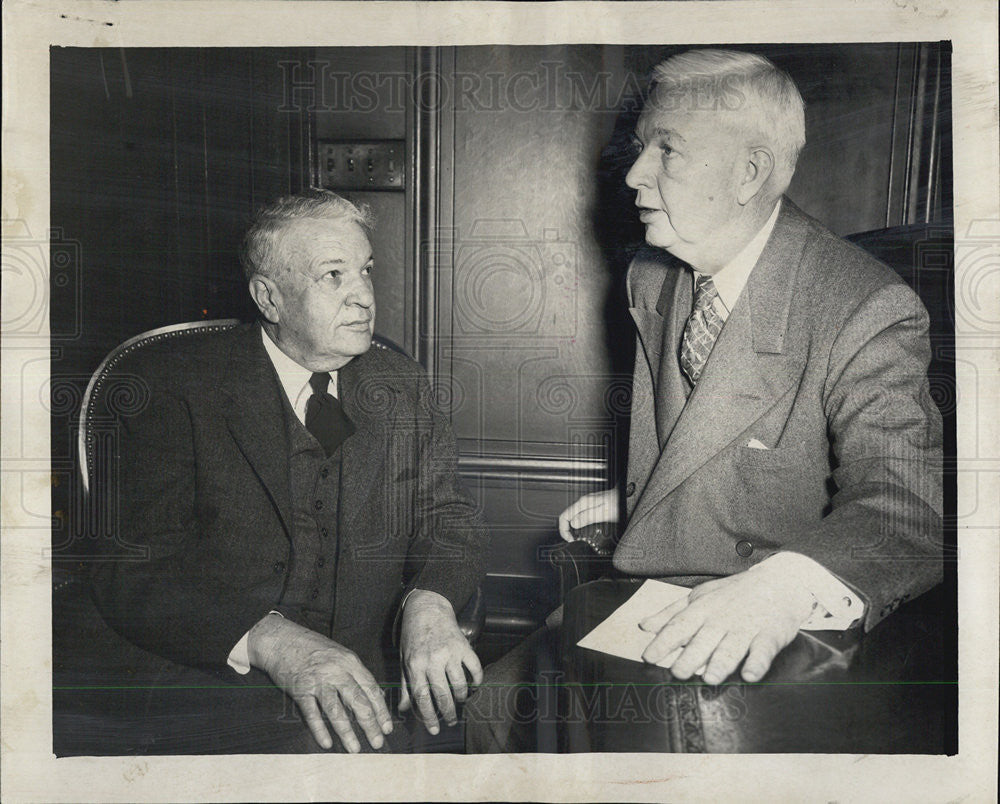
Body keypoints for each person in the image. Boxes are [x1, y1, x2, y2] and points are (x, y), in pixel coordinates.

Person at [467, 49, 942, 752]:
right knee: (486, 712)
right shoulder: (653, 279)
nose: (633, 175)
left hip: (767, 622)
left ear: (748, 173)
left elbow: (904, 513)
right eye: (640, 148)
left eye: (667, 151)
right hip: (654, 587)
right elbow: (702, 434)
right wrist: (648, 500)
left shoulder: (865, 306)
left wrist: (783, 589)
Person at [92, 189, 488, 754]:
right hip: (223, 680)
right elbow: (129, 571)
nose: (363, 296)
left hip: (374, 675)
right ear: (269, 298)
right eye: (333, 275)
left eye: (366, 270)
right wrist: (269, 640)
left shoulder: (401, 385)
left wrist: (430, 602)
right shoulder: (177, 386)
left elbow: (447, 516)